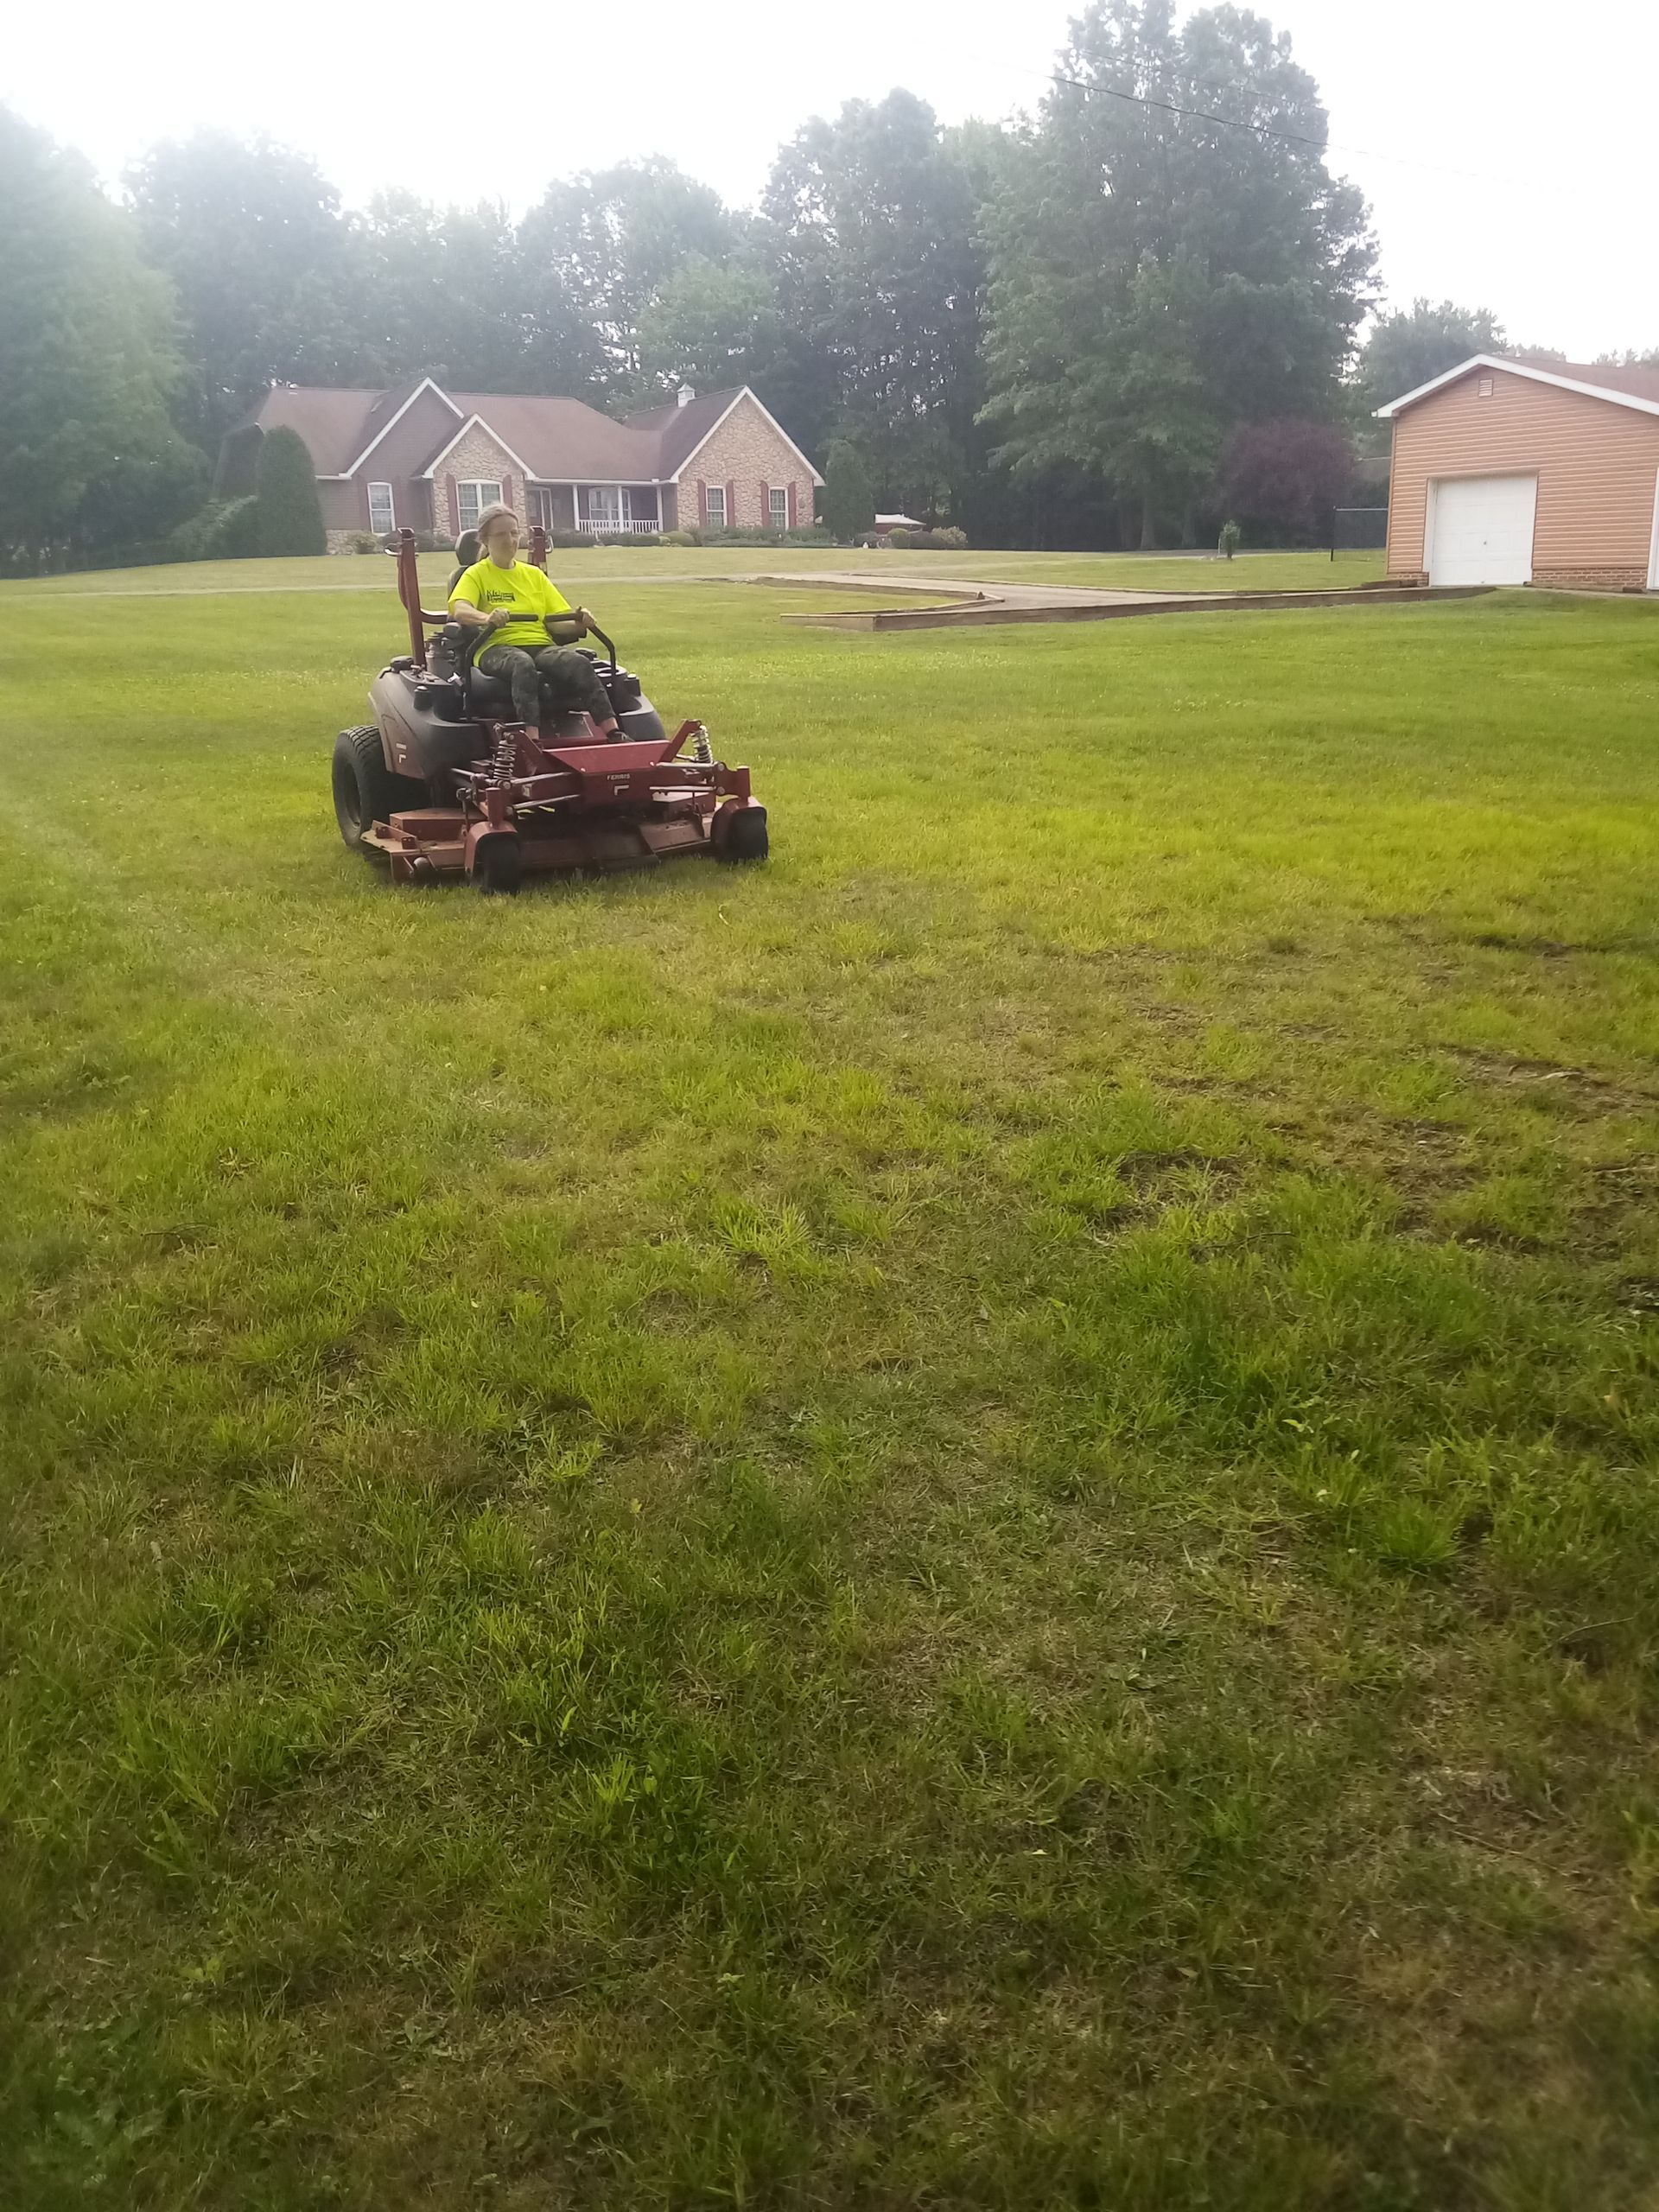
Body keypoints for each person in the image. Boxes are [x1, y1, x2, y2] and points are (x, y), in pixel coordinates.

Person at [448, 504, 619, 736]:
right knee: (522, 663)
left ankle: (614, 733)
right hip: (494, 648)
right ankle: (532, 739)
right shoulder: (476, 574)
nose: (510, 540)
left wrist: (580, 622)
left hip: (539, 645)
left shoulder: (534, 575)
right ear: (485, 540)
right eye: (501, 535)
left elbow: (557, 621)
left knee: (577, 662)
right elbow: (460, 609)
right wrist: (487, 617)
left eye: (514, 533)